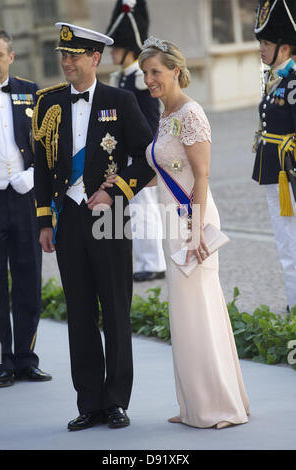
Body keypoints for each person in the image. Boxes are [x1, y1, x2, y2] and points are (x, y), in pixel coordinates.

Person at [102, 37, 250, 428]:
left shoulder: (190, 113)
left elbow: (201, 175)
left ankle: (219, 406)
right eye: (145, 72)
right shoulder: (166, 115)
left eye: (156, 72)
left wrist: (197, 228)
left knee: (198, 310)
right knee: (186, 314)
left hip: (191, 220)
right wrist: (122, 181)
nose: (149, 79)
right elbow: (166, 174)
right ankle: (194, 404)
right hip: (174, 219)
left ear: (175, 71)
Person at [33, 22, 155, 430]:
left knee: (116, 310)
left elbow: (146, 156)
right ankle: (90, 401)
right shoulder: (48, 105)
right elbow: (43, 170)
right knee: (81, 313)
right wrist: (45, 221)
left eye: (74, 56)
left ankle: (117, 399)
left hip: (110, 217)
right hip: (67, 220)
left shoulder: (120, 100)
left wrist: (117, 190)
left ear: (95, 59)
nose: (67, 62)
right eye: (63, 56)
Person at [0, 28, 51, 388]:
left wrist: (33, 176)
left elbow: (47, 145)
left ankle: (27, 358)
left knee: (29, 278)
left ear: (11, 57)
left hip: (23, 196)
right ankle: (2, 361)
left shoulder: (31, 93)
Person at [106, 0, 166, 282]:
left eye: (117, 48)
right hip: (127, 154)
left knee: (145, 207)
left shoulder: (140, 80)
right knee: (135, 208)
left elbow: (148, 121)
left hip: (141, 153)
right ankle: (144, 260)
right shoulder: (121, 79)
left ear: (129, 48)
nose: (113, 53)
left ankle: (153, 261)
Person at [252, 0, 296, 311]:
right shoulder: (274, 76)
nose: (262, 48)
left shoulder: (293, 80)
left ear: (284, 47)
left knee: (292, 242)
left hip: (289, 170)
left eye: (267, 42)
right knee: (285, 243)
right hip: (272, 168)